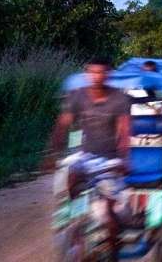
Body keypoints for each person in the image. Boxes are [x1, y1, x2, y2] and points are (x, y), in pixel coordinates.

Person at [46, 57, 133, 258]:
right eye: (92, 72)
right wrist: (53, 153)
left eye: (101, 72)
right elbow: (63, 125)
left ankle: (113, 251)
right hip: (86, 155)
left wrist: (124, 159)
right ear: (87, 74)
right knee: (70, 177)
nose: (96, 77)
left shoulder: (119, 99)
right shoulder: (78, 96)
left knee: (110, 218)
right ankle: (75, 222)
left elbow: (124, 132)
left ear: (108, 75)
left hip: (110, 159)